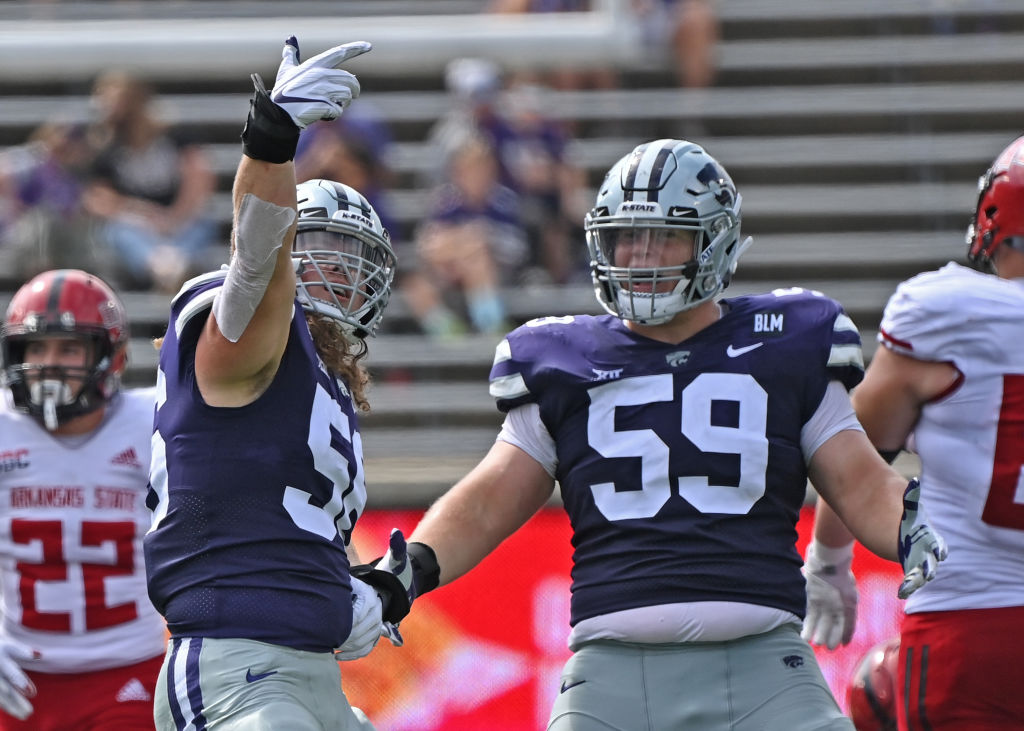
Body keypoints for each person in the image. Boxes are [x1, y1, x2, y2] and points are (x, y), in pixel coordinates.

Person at [354, 138, 948, 730]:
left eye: (664, 235)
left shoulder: (787, 342)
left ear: (714, 241)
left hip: (763, 663)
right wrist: (413, 567)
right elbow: (489, 500)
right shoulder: (562, 358)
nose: (640, 256)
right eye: (625, 239)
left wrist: (912, 529)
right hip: (611, 675)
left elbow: (861, 480)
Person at [142, 37, 409, 730]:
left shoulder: (327, 389)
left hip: (310, 667)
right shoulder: (255, 334)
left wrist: (360, 588)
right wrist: (271, 145)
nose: (337, 272)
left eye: (352, 259)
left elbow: (297, 521)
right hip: (235, 662)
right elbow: (257, 260)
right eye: (318, 250)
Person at [803, 135, 1024, 729]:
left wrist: (828, 559)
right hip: (971, 624)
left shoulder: (948, 312)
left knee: (876, 693)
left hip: (971, 626)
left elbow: (855, 454)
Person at [0, 269, 165, 729]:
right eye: (36, 347)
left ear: (108, 357)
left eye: (68, 347)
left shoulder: (154, 422)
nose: (49, 363)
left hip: (130, 671)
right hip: (20, 678)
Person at [81, 70, 220, 293]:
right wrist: (143, 213)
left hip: (183, 219)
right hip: (139, 226)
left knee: (201, 222)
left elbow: (201, 180)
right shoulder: (107, 149)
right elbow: (97, 199)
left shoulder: (176, 136)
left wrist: (173, 218)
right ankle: (168, 269)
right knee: (118, 231)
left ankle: (173, 268)